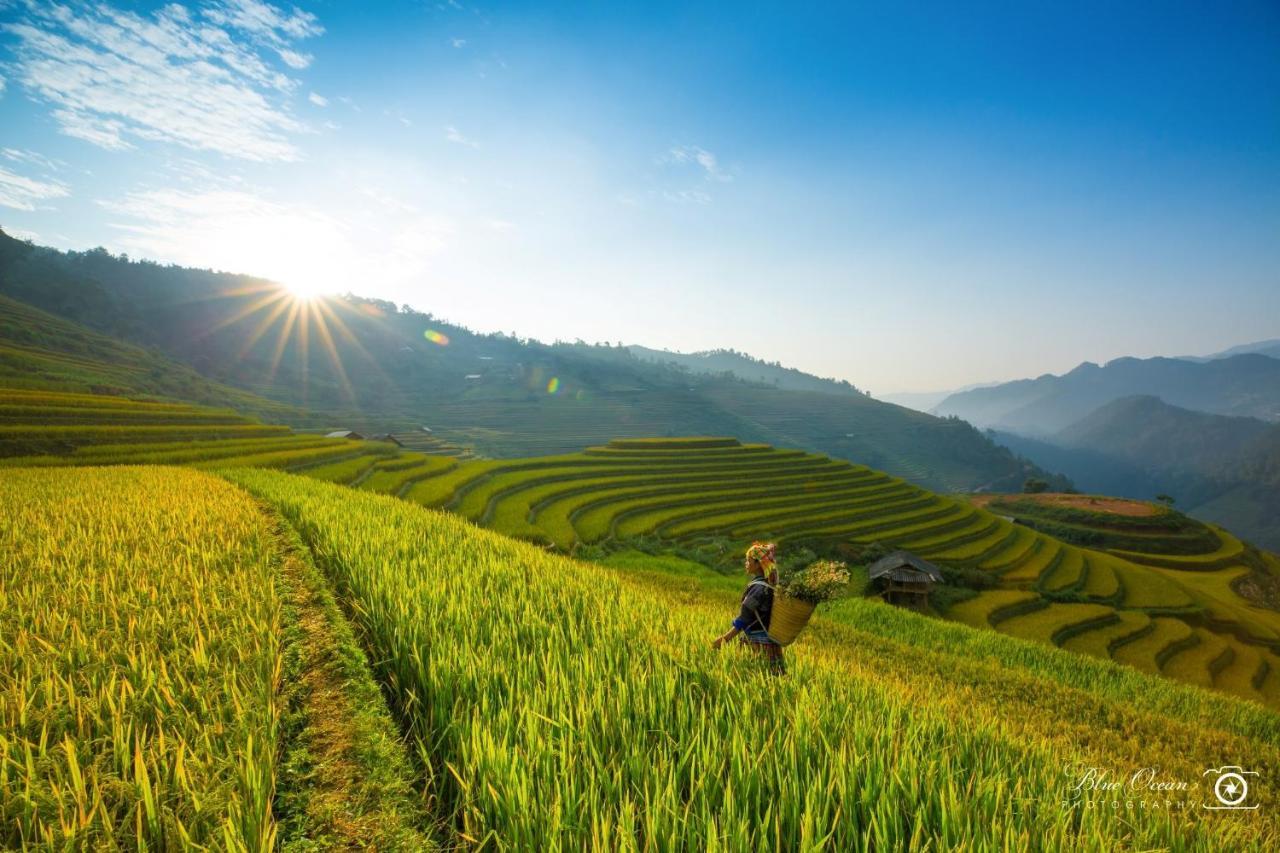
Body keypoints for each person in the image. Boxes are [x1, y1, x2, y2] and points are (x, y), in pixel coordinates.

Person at [712, 541, 785, 675]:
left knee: (755, 679)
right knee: (774, 680)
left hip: (757, 645)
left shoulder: (758, 588)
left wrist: (724, 639)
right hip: (771, 644)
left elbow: (744, 619)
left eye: (748, 560)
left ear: (758, 564)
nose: (746, 563)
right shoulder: (769, 586)